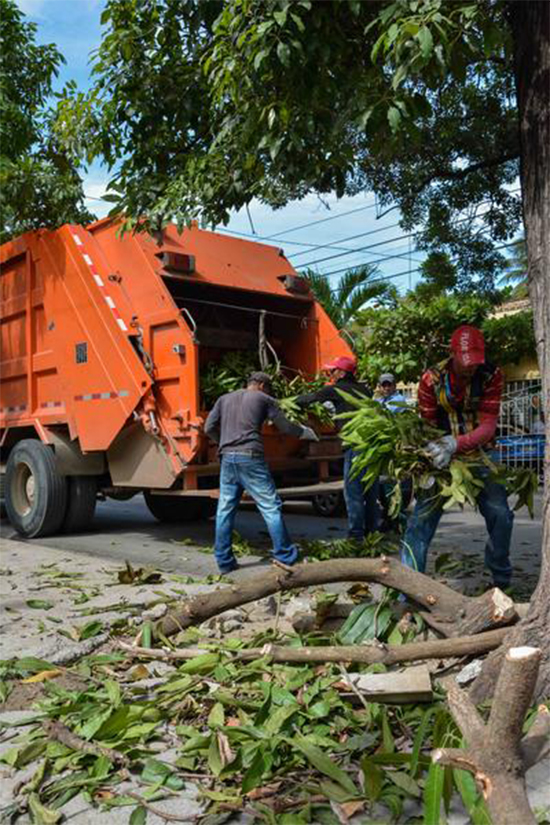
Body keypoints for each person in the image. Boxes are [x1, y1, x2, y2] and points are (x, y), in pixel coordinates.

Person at [401, 325, 514, 589]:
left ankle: (501, 581)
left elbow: (487, 427)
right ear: (452, 354)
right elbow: (426, 424)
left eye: (475, 362)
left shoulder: (491, 375)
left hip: (482, 454)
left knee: (500, 516)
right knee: (420, 520)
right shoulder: (431, 379)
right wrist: (432, 450)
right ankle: (407, 587)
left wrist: (457, 443)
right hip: (441, 457)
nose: (470, 368)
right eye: (465, 363)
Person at [205, 371, 319, 573]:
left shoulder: (224, 399)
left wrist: (222, 442)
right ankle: (284, 554)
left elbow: (208, 427)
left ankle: (224, 561)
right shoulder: (264, 398)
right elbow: (284, 427)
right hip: (250, 456)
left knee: (225, 509)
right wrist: (305, 432)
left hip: (227, 458)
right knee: (270, 506)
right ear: (261, 385)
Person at [295, 355, 379, 540]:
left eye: (333, 370)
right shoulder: (366, 390)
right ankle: (373, 532)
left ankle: (356, 536)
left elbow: (309, 399)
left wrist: (285, 402)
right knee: (370, 491)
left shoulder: (336, 390)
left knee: (353, 491)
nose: (331, 374)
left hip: (355, 446)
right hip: (372, 446)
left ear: (342, 373)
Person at [375, 373, 412, 530]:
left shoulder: (398, 400)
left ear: (395, 385)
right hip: (383, 449)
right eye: (384, 385)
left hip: (396, 449)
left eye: (389, 384)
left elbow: (383, 416)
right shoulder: (380, 400)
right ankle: (390, 519)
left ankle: (400, 522)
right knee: (383, 486)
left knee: (394, 485)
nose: (387, 387)